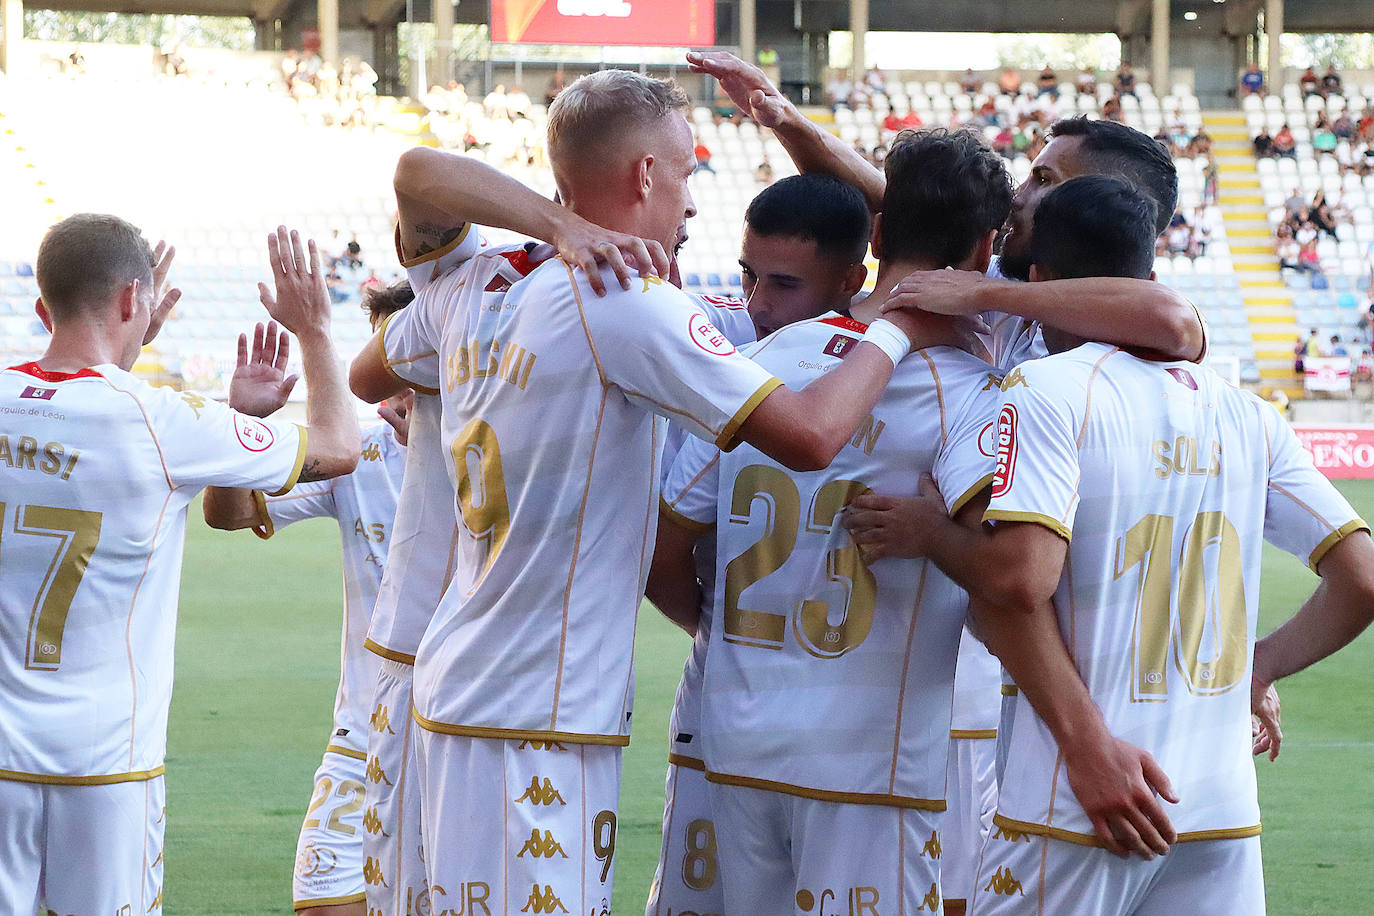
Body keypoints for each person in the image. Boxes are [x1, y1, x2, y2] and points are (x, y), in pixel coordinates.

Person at [348, 70, 936, 914]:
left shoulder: (480, 284)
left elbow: (377, 348)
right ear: (647, 177)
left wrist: (549, 230)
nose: (690, 196)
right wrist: (896, 326)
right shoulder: (626, 299)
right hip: (536, 714)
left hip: (451, 687)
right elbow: (810, 436)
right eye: (689, 171)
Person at [950, 175, 1374, 914]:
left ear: (1043, 281)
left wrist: (930, 532)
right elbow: (1362, 580)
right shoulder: (1250, 414)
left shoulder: (1044, 390)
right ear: (1148, 278)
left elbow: (1017, 585)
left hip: (1082, 801)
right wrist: (1260, 665)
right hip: (1218, 808)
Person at [652, 127, 1011, 916]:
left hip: (739, 738)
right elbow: (1011, 573)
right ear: (988, 248)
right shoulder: (972, 390)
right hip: (868, 764)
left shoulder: (766, 360)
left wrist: (731, 636)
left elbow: (665, 543)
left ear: (877, 235)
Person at [0, 218, 359, 915]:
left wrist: (121, 354)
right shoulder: (161, 421)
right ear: (134, 300)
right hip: (105, 766)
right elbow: (338, 446)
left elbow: (73, 420)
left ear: (43, 306)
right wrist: (315, 329)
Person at [645, 171, 872, 916]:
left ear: (851, 281)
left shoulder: (913, 365)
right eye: (747, 275)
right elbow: (661, 558)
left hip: (851, 725)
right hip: (726, 695)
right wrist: (714, 629)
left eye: (783, 283)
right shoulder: (720, 337)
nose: (759, 304)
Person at [202, 285, 416, 916]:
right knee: (325, 900)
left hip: (466, 729)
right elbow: (230, 514)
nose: (394, 384)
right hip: (367, 730)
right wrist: (247, 426)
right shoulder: (360, 452)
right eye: (385, 362)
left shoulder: (506, 451)